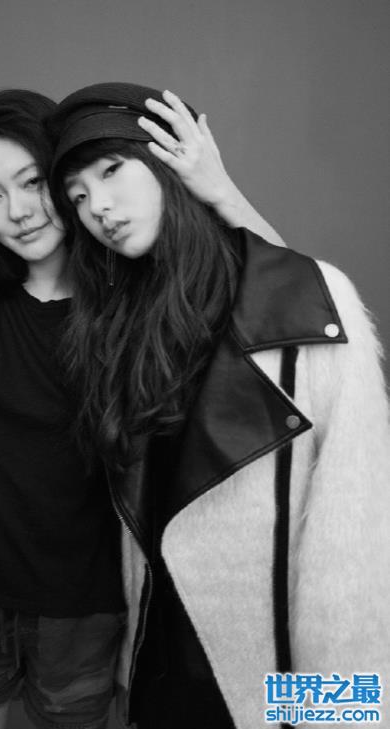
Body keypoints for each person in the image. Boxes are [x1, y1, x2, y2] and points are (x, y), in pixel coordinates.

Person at [0, 87, 285, 729]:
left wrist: (218, 190)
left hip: (85, 609)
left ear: (64, 177)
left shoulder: (136, 301)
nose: (17, 212)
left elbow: (289, 298)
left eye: (32, 182)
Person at [46, 82, 390, 729]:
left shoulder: (309, 305)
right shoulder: (120, 326)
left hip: (269, 691)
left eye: (112, 171)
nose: (99, 207)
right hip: (157, 677)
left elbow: (356, 546)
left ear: (168, 164)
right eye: (79, 197)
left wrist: (340, 714)